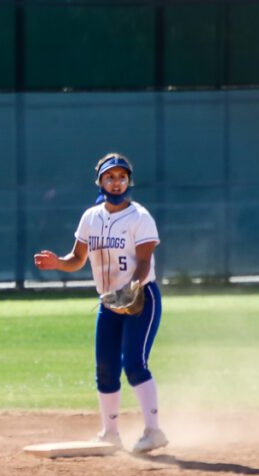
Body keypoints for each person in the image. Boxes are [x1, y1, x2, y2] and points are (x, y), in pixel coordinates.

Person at [33, 152, 168, 455]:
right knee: (105, 368)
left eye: (122, 177)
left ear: (129, 182)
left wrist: (133, 288)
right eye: (110, 177)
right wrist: (58, 262)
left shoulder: (140, 217)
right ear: (100, 181)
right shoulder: (90, 218)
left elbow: (144, 262)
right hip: (108, 303)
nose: (116, 182)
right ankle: (110, 434)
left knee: (134, 364)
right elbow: (77, 258)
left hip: (141, 300)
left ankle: (154, 431)